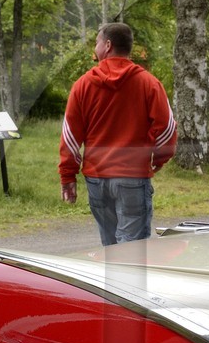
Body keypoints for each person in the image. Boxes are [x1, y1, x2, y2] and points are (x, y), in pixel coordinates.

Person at [60, 23, 176, 245]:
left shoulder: (82, 85)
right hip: (132, 177)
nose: (95, 46)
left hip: (97, 179)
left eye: (96, 42)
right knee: (132, 250)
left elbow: (71, 137)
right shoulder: (149, 84)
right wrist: (159, 158)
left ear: (108, 45)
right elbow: (167, 128)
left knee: (110, 248)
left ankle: (112, 280)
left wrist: (68, 176)